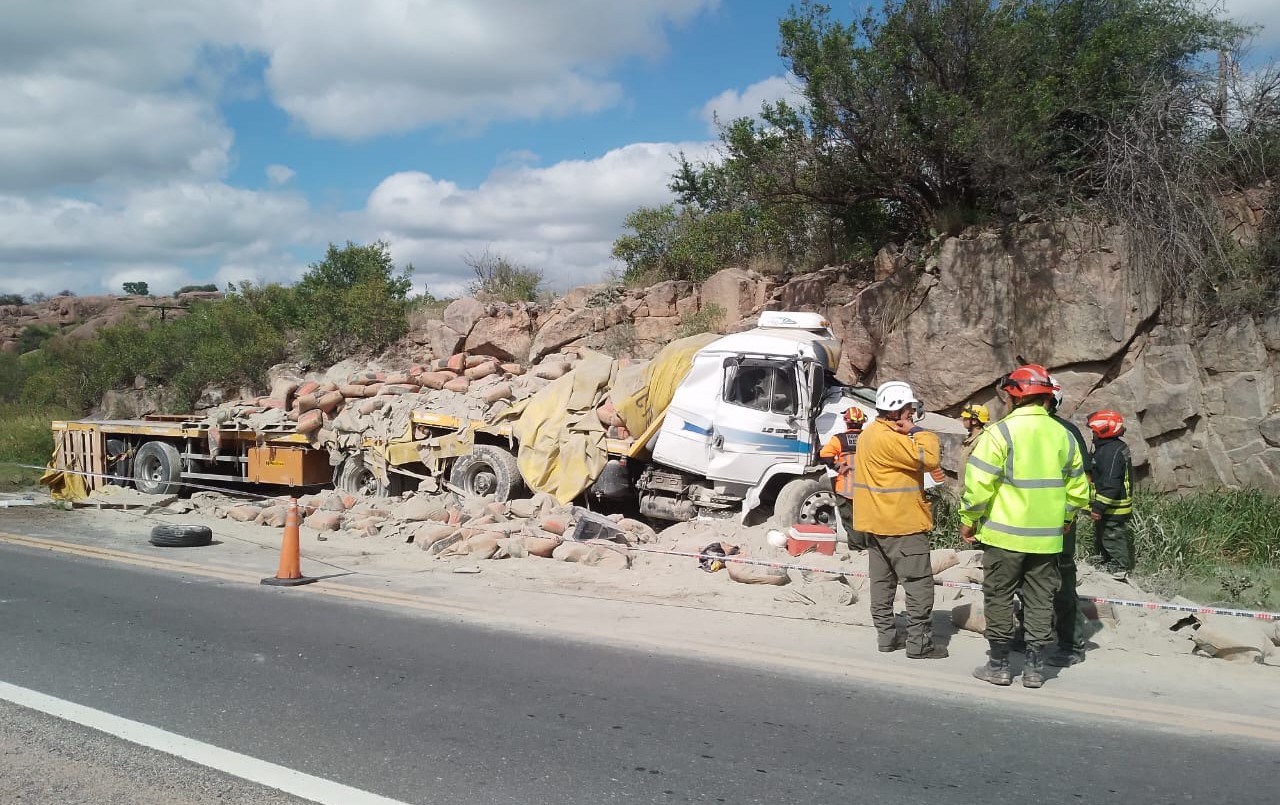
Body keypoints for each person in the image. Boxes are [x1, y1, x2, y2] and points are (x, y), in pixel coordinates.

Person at [960, 364, 1090, 688]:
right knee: (1040, 599)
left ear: (1015, 397)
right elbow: (1078, 491)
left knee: (999, 597)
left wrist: (968, 521)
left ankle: (999, 665)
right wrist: (1064, 521)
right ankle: (1034, 669)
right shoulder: (1065, 435)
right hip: (1047, 540)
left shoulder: (999, 433)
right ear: (1046, 397)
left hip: (1003, 536)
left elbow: (978, 487)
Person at [851, 380, 947, 659]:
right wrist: (917, 431)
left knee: (882, 584)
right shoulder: (892, 439)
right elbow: (930, 458)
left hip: (875, 524)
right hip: (902, 524)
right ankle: (919, 644)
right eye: (908, 409)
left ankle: (886, 638)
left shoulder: (869, 434)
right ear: (895, 410)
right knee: (918, 584)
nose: (911, 415)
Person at [1047, 378, 1093, 667]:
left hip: (1058, 525)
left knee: (1062, 584)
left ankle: (1070, 644)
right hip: (1023, 524)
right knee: (1027, 583)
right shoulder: (1014, 429)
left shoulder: (1067, 432)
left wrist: (1066, 516)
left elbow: (1084, 481)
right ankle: (1028, 635)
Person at [1087, 409, 1134, 582]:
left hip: (1113, 507)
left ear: (1103, 430)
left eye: (1094, 431)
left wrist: (1098, 507)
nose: (1092, 435)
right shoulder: (1112, 448)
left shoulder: (1110, 452)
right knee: (1104, 535)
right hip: (1112, 505)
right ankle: (1108, 562)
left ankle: (1120, 566)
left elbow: (1110, 484)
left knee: (1112, 535)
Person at [819, 406, 868, 550]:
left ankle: (858, 551)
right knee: (867, 521)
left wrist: (837, 467)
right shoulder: (869, 438)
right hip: (867, 489)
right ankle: (870, 550)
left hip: (845, 489)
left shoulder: (839, 439)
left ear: (846, 422)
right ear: (862, 422)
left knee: (852, 523)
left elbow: (823, 455)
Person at [957, 403, 989, 488]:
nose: (963, 419)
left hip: (972, 491)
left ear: (974, 421)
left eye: (966, 418)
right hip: (964, 490)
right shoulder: (970, 439)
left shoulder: (982, 440)